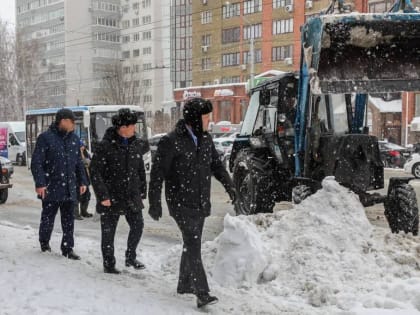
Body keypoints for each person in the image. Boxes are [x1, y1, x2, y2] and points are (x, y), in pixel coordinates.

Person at [148, 97, 236, 308]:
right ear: (195, 119)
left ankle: (184, 283)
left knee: (191, 243)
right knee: (193, 242)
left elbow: (217, 166)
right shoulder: (171, 141)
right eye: (206, 117)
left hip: (200, 201)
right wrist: (154, 202)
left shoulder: (205, 139)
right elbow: (157, 173)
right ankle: (202, 292)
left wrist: (230, 186)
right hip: (180, 201)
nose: (209, 121)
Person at [90, 108, 147, 274]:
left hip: (131, 195)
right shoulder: (105, 146)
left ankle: (131, 256)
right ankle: (109, 263)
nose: (134, 129)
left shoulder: (136, 144)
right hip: (110, 196)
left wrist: (142, 189)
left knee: (138, 225)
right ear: (122, 127)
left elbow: (140, 169)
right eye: (131, 126)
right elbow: (95, 172)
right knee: (108, 232)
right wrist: (103, 196)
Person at [31, 108, 87, 260]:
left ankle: (68, 248)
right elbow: (37, 163)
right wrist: (40, 183)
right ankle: (44, 243)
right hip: (51, 187)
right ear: (62, 121)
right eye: (72, 122)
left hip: (70, 187)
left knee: (69, 220)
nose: (74, 125)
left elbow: (78, 163)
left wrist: (83, 181)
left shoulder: (74, 139)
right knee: (48, 217)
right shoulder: (45, 138)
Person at [74, 140, 93, 220]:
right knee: (77, 196)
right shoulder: (74, 154)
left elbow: (90, 162)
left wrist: (88, 162)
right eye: (81, 146)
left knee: (87, 195)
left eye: (83, 146)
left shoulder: (86, 153)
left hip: (86, 177)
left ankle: (84, 211)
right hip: (77, 178)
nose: (82, 148)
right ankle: (75, 213)